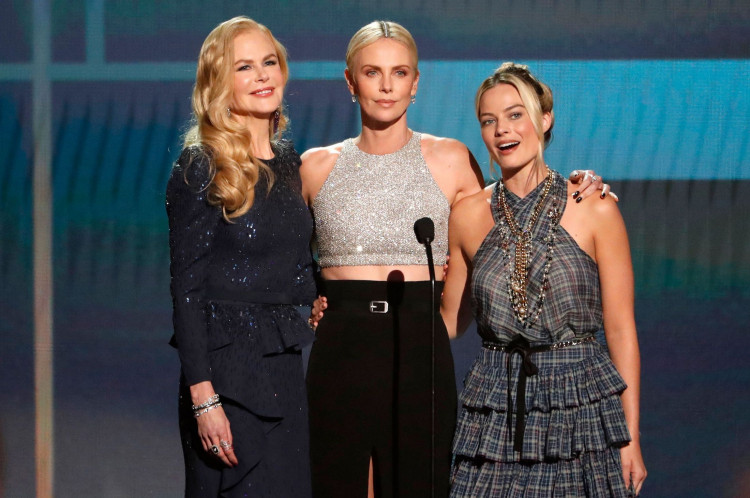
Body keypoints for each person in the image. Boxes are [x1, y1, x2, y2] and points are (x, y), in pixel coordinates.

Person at [301, 22, 610, 498]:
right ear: (350, 80)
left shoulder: (450, 159)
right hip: (341, 356)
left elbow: (513, 200)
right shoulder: (314, 166)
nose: (386, 86)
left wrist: (584, 181)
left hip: (421, 354)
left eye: (399, 72)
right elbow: (276, 260)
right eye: (372, 72)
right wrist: (309, 301)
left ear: (416, 82)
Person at [441, 63, 647, 497]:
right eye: (489, 120)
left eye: (515, 115)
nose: (502, 130)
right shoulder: (466, 215)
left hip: (580, 409)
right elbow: (449, 321)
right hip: (495, 408)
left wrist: (630, 438)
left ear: (544, 119)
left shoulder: (594, 206)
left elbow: (621, 329)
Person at [166, 17, 315, 497]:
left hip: (283, 370)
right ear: (219, 83)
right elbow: (185, 290)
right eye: (244, 67)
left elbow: (290, 263)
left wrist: (319, 294)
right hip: (226, 383)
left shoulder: (291, 163)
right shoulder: (202, 165)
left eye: (268, 62)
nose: (262, 76)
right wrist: (203, 397)